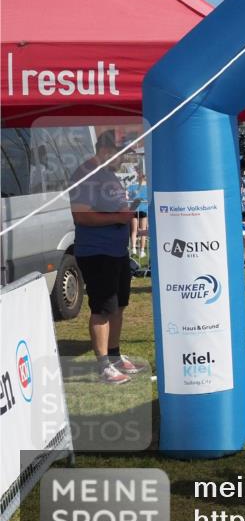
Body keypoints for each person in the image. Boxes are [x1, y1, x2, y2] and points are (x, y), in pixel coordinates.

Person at [69, 131, 147, 385]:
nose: (123, 160)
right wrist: (118, 218)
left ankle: (114, 356)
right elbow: (81, 217)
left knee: (118, 305)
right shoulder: (86, 174)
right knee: (102, 307)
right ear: (105, 150)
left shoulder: (110, 174)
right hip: (96, 252)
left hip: (117, 251)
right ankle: (103, 365)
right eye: (120, 154)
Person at [127, 170, 149, 258]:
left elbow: (128, 196)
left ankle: (134, 249)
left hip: (135, 210)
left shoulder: (132, 186)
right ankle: (141, 251)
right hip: (141, 210)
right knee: (142, 231)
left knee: (134, 230)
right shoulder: (147, 187)